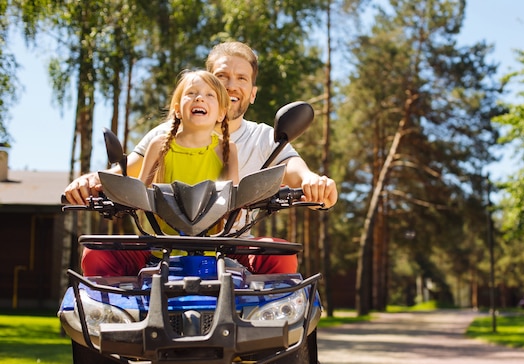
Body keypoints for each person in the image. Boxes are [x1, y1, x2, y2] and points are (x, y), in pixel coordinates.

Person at [64, 41, 337, 275]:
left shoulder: (263, 137)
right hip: (161, 244)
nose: (231, 85)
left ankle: (267, 332)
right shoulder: (165, 135)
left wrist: (313, 181)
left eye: (242, 78)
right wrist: (92, 180)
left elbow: (294, 169)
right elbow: (125, 172)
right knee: (97, 255)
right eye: (222, 76)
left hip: (231, 245)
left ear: (253, 93)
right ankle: (116, 327)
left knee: (278, 255)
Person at [81, 69, 238, 276]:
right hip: (161, 248)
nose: (199, 97)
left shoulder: (227, 149)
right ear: (178, 109)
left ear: (221, 112)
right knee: (94, 252)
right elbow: (140, 192)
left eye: (210, 95)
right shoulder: (158, 145)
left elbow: (235, 198)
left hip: (213, 252)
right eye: (191, 93)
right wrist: (114, 192)